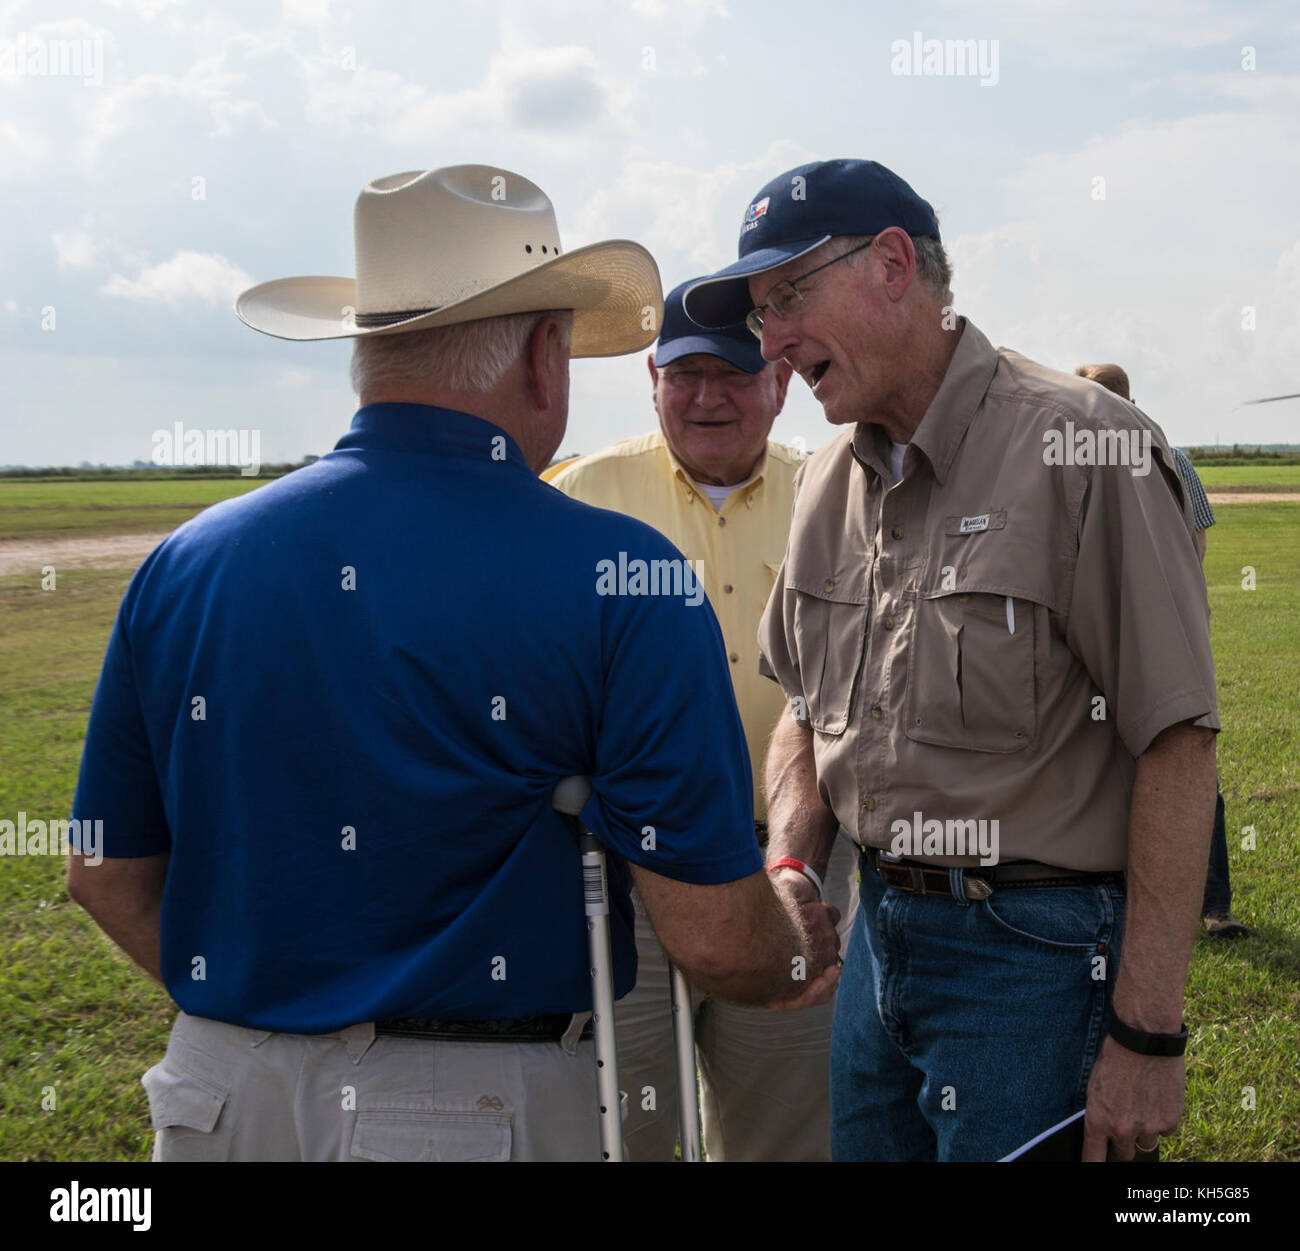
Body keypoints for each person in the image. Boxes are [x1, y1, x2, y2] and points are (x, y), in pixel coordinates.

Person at [66, 165, 841, 1163]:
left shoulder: (188, 559)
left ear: (367, 351)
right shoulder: (620, 574)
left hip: (212, 1096)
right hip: (468, 1111)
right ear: (541, 356)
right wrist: (788, 940)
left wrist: (264, 1020)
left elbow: (103, 872)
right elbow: (712, 941)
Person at [685, 158, 1220, 1162]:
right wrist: (794, 861)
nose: (774, 339)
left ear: (893, 265)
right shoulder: (826, 483)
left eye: (789, 295)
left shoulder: (1081, 448)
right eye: (759, 314)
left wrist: (1146, 1029)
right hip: (876, 938)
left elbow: (1178, 743)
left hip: (1038, 959)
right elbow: (803, 709)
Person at [549, 280, 859, 1161]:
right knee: (630, 1121)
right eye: (684, 372)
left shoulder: (834, 494)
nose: (707, 395)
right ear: (651, 375)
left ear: (780, 381)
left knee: (791, 1124)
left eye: (732, 371)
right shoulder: (576, 496)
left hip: (792, 866)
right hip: (620, 878)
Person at [1075, 364, 1251, 940]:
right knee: (1184, 765)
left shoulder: (1072, 462)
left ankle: (1197, 903)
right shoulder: (1174, 458)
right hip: (1161, 636)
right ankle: (1210, 906)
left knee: (1167, 764)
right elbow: (1195, 551)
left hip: (1123, 642)